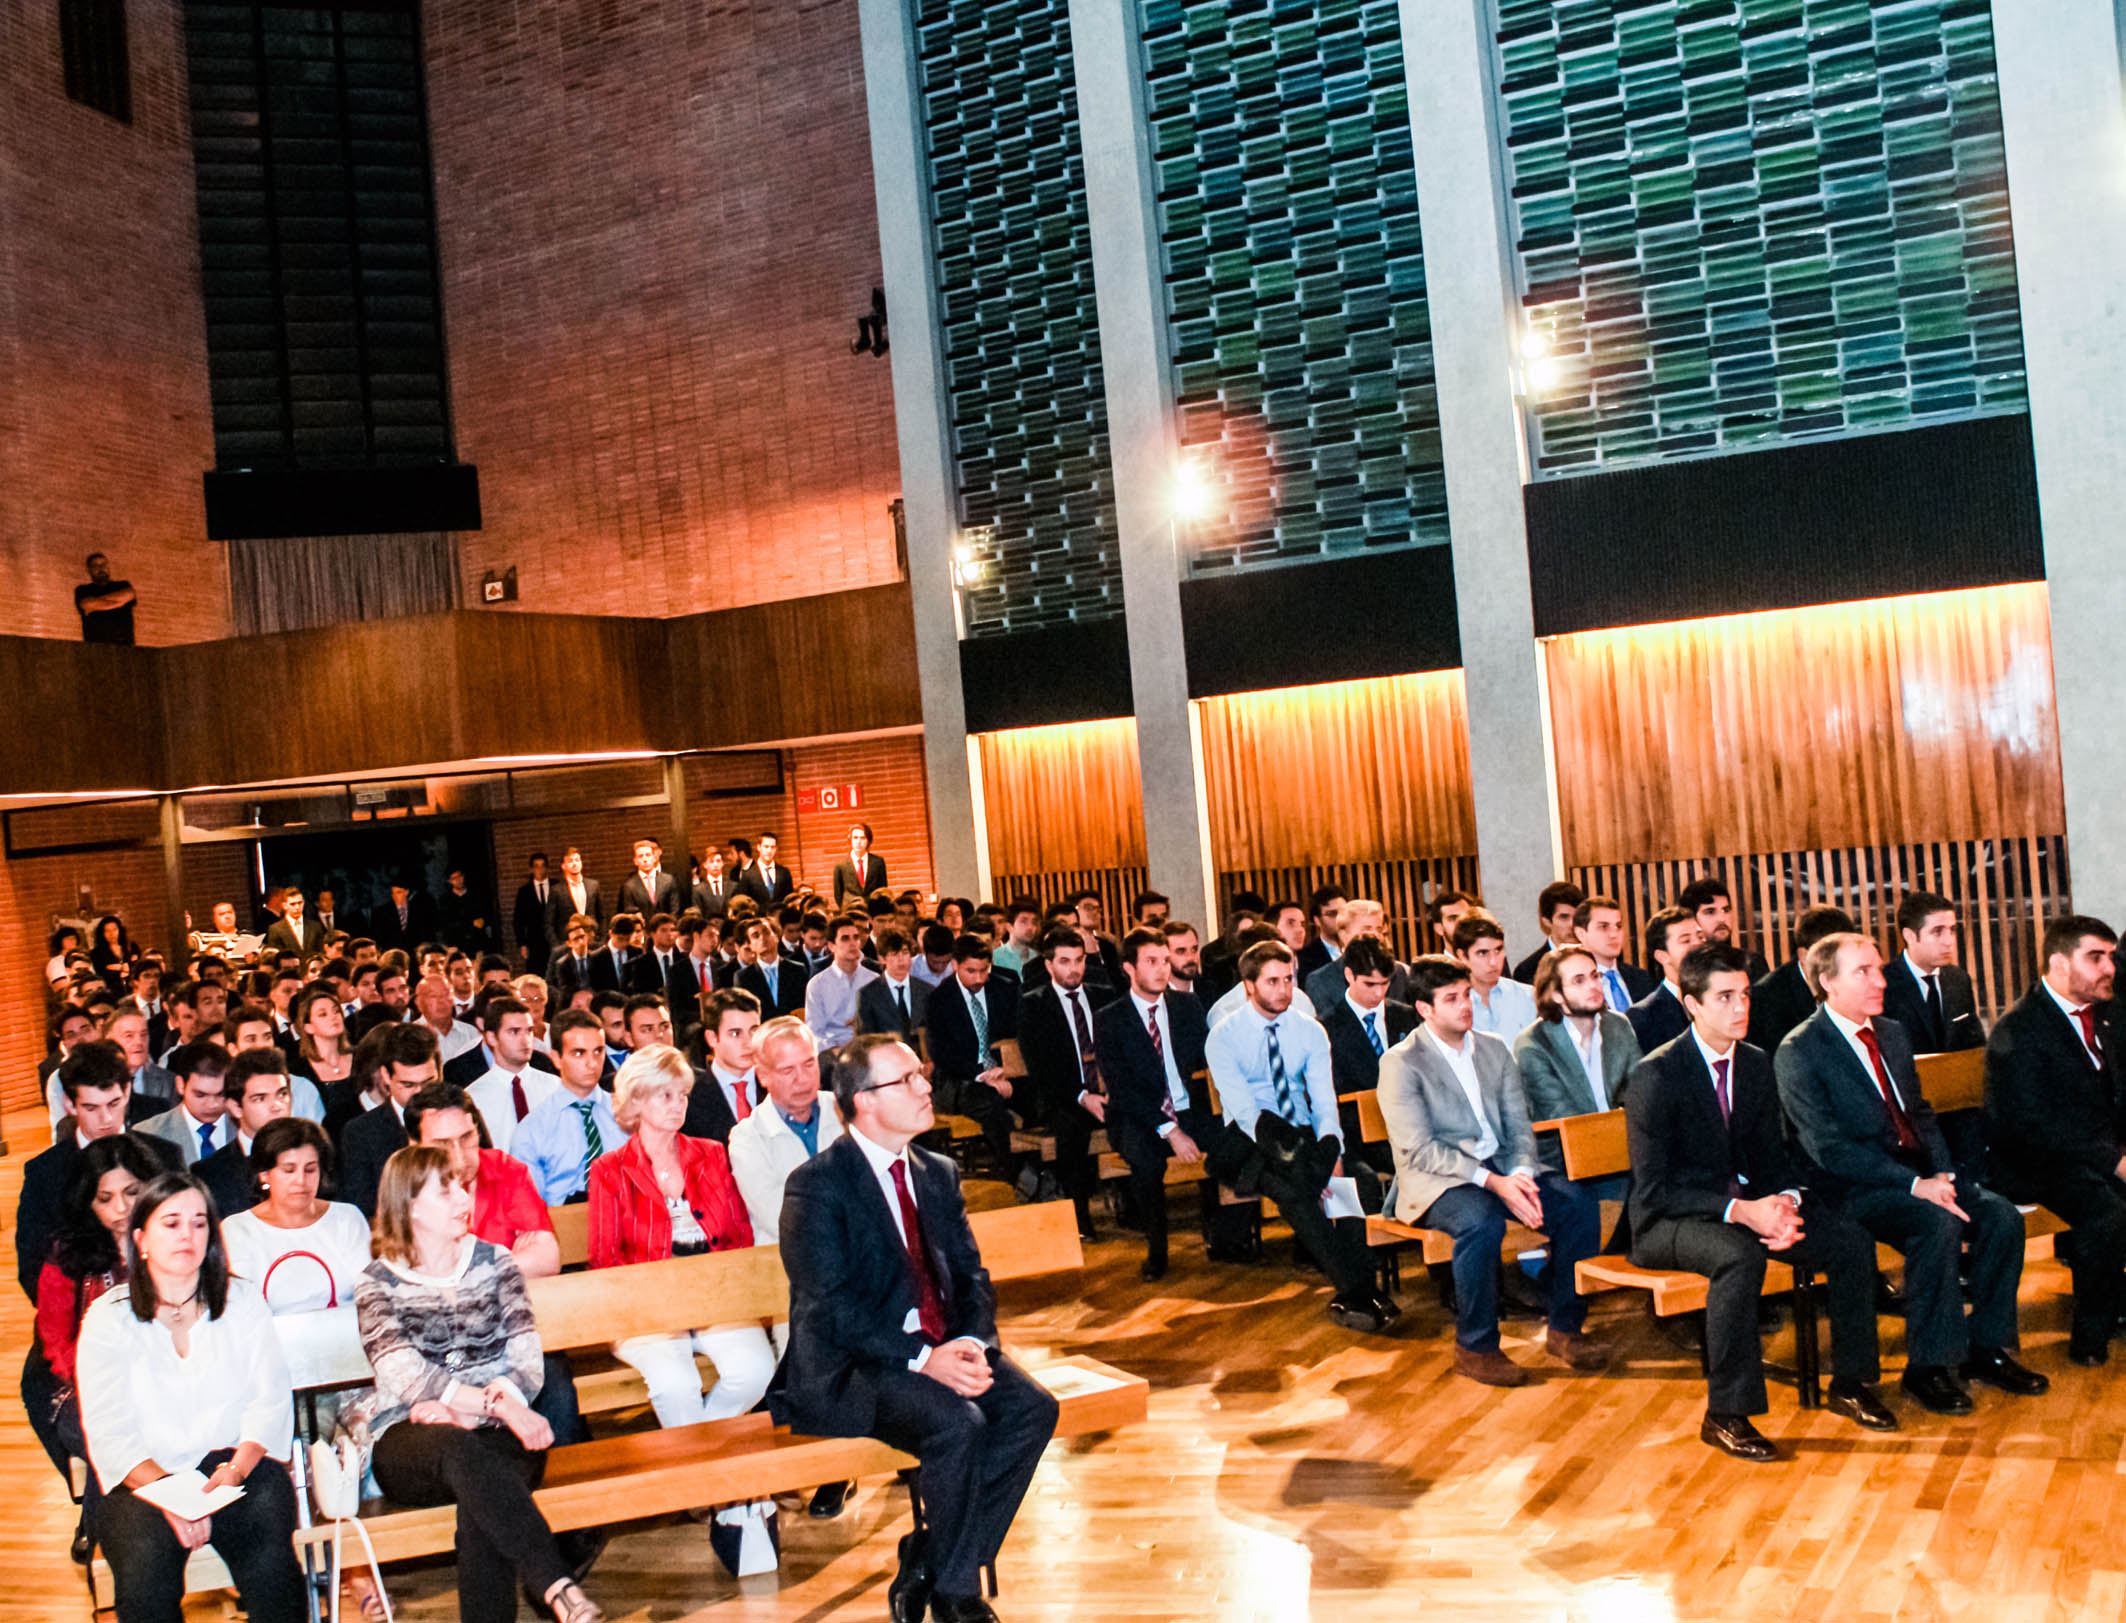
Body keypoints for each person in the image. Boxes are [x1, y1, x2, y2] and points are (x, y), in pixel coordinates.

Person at [779, 1033, 1059, 1623]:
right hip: (857, 1364)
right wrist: (920, 1358)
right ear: (864, 1102)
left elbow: (971, 1274)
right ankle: (958, 1598)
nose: (925, 1086)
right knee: (959, 1423)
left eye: (921, 1075)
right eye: (905, 1080)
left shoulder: (936, 1171)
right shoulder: (819, 1184)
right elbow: (828, 1305)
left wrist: (971, 1344)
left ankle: (930, 1555)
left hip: (939, 1346)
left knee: (1033, 1408)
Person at [1625, 942, 1893, 1459]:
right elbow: (1657, 1188)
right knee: (1738, 1255)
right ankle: (1726, 1414)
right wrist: (1744, 1212)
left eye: (1745, 995)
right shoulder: (1657, 1075)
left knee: (1848, 1239)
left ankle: (1851, 1383)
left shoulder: (1753, 1063)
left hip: (1743, 1209)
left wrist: (1786, 1204)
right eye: (1724, 998)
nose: (1741, 1008)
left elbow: (1772, 1157)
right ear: (1692, 1005)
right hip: (1668, 1219)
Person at [1775, 932, 2042, 1411]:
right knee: (1935, 1223)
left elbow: (1919, 1114)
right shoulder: (1800, 1050)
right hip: (1851, 1187)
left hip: (1915, 1175)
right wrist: (1917, 1185)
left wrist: (1942, 1175)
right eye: (1863, 972)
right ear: (1826, 982)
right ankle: (1928, 1368)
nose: (1880, 980)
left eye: (1878, 968)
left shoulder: (1892, 1033)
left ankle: (1985, 1349)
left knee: (2002, 1217)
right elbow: (1829, 1150)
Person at [355, 1147, 604, 1623]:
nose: (461, 1196)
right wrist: (502, 1407)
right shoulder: (377, 1281)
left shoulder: (497, 1261)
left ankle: (558, 1593)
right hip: (410, 1441)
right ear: (409, 1205)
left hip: (498, 1433)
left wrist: (477, 1408)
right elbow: (404, 1374)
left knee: (481, 1506)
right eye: (443, 1189)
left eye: (460, 1184)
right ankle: (556, 1585)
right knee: (460, 1452)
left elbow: (528, 1361)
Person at [77, 1172, 307, 1623]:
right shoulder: (107, 1319)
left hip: (233, 1468)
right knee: (145, 1569)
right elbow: (110, 1433)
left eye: (200, 1223)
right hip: (142, 1480)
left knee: (270, 1547)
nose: (188, 1235)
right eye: (172, 1223)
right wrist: (172, 1497)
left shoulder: (240, 1301)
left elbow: (269, 1401)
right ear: (141, 1238)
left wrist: (236, 1469)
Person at [588, 1045, 779, 1566]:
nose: (678, 1105)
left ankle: (700, 1478)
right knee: (676, 1383)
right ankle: (717, 1490)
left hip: (713, 1293)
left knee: (756, 1368)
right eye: (664, 1095)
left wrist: (722, 1293)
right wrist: (648, 1306)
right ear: (636, 1101)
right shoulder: (609, 1171)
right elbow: (605, 1261)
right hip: (647, 1307)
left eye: (683, 1095)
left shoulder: (711, 1154)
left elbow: (738, 1235)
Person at [1376, 955, 1603, 1386]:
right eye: (1451, 999)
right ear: (1425, 1009)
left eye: (1466, 995)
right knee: (1480, 1224)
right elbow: (1419, 1150)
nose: (1466, 1005)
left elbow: (1519, 1125)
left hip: (1500, 1164)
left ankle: (1564, 1327)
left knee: (1578, 1204)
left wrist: (1519, 1172)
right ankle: (1475, 1346)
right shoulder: (1401, 1062)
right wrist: (1496, 1183)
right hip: (1437, 1180)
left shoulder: (1494, 1047)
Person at [1207, 941, 1396, 1331]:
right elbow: (1245, 1112)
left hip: (1303, 1129)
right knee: (1297, 1189)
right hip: (1250, 1139)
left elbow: (1325, 1099)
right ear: (1249, 986)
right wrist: (1304, 1164)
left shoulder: (1309, 1030)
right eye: (1272, 981)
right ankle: (1359, 1291)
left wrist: (1332, 1154)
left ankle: (1358, 1291)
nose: (1284, 989)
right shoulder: (1225, 1035)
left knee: (1352, 1181)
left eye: (1289, 979)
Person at [1985, 914, 2124, 1365]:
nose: (2110, 968)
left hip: (2092, 1153)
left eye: (2111, 957)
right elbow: (2034, 1125)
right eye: (2096, 957)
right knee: (2106, 1211)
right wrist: (2114, 1160)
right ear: (2060, 964)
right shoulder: (2019, 1030)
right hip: (2035, 1162)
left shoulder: (2106, 1015)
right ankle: (2091, 1336)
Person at [25, 1135, 160, 1559]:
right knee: (104, 1431)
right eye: (106, 1198)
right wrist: (101, 1385)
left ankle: (100, 1529)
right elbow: (56, 1341)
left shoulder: (171, 1236)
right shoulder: (68, 1254)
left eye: (132, 1193)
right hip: (82, 1388)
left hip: (163, 1380)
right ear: (88, 1201)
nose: (121, 1209)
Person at [1093, 927, 1248, 1279]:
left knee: (1236, 1141)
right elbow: (1122, 1088)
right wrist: (1170, 1130)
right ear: (1129, 969)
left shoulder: (1186, 1005)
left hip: (1188, 1107)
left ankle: (1226, 1236)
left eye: (1165, 961)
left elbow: (1209, 1061)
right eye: (1151, 962)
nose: (1162, 970)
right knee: (1147, 1163)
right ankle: (1157, 1250)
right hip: (1139, 1116)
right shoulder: (1110, 1019)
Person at [19, 1044, 181, 1300]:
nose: (106, 1118)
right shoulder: (44, 1173)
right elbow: (31, 1267)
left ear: (128, 1091)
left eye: (114, 1103)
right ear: (70, 1105)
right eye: (91, 1108)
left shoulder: (165, 1156)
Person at [1015, 926, 1111, 1243]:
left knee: (1140, 1115)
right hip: (1063, 1095)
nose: (1074, 968)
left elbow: (1118, 1049)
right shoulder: (1034, 1005)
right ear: (1049, 965)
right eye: (1065, 961)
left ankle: (1136, 1206)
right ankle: (1080, 1216)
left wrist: (1110, 1090)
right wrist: (1084, 1096)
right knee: (1072, 1129)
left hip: (1106, 1090)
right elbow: (1043, 1068)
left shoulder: (1103, 994)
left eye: (1079, 960)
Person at [222, 1119, 373, 1315]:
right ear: (264, 1175)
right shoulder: (237, 1229)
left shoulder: (347, 1218)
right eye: (289, 1170)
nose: (301, 1180)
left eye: (310, 1169)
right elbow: (239, 1309)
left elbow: (370, 1296)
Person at [1514, 948, 1642, 1178]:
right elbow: (1563, 1113)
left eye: (1595, 976)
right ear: (1556, 995)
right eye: (1578, 981)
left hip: (1625, 1149)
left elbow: (1640, 1093)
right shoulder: (1533, 1043)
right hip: (1566, 1161)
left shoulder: (1618, 1025)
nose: (1593, 986)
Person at [925, 935, 1031, 1199]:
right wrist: (982, 1075)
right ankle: (1016, 1176)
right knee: (990, 1104)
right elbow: (942, 1054)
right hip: (960, 1079)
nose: (979, 978)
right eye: (971, 971)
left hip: (1005, 1071)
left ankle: (1039, 1170)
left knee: (1041, 1096)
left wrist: (1007, 1070)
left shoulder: (1005, 988)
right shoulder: (939, 999)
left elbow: (1022, 1036)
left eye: (985, 970)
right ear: (955, 966)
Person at [728, 1018, 844, 1243]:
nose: (802, 1079)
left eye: (809, 1063)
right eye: (787, 1070)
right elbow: (780, 1219)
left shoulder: (849, 1112)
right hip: (786, 1264)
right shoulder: (747, 1138)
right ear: (762, 1076)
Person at [512, 1010, 628, 1204]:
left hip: (627, 1222)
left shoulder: (627, 1115)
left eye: (598, 1051)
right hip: (563, 1227)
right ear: (557, 1059)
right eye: (579, 1053)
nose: (592, 1063)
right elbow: (527, 1206)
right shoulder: (533, 1129)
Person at [341, 1023, 442, 1216]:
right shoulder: (360, 1133)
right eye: (408, 1084)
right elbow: (363, 1209)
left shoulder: (461, 1115)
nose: (420, 1093)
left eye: (429, 1082)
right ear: (385, 1075)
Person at [1881, 891, 1986, 1055]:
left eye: (1952, 930)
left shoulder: (1958, 980)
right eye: (1937, 931)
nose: (1949, 941)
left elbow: (1976, 1047)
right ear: (1909, 936)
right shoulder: (1883, 985)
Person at [193, 1048, 294, 1216]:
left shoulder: (315, 1157)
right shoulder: (208, 1174)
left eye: (282, 1094)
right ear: (235, 1107)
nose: (277, 1106)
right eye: (260, 1098)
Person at [1747, 905, 1857, 1052]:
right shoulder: (1767, 999)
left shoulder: (1855, 984)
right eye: (1832, 957)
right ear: (1804, 956)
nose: (1841, 965)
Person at [465, 996, 557, 1156]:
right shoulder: (473, 1098)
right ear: (491, 1037)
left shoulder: (556, 1088)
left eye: (529, 1031)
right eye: (514, 1032)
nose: (526, 1040)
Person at [682, 988, 768, 1140]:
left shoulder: (775, 1084)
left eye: (754, 1031)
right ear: (712, 1038)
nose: (748, 1043)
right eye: (736, 1033)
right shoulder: (690, 1098)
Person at [137, 1041, 236, 1167]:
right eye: (200, 1095)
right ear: (180, 1085)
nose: (212, 1104)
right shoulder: (147, 1135)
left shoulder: (246, 1127)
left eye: (221, 1094)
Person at [1627, 907, 1705, 1053]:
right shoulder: (1644, 1015)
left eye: (1700, 937)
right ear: (1662, 956)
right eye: (1686, 940)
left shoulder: (1720, 1000)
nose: (1697, 944)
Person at [1455, 913, 1539, 1039]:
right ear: (1462, 956)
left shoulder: (1529, 997)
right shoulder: (1452, 1005)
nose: (1493, 962)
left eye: (1498, 950)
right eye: (1483, 953)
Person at [803, 912, 879, 1049]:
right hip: (833, 1051)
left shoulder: (874, 980)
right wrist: (835, 1051)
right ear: (831, 946)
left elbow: (884, 1024)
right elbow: (815, 1032)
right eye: (845, 938)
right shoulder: (817, 984)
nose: (853, 943)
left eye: (856, 938)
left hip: (869, 1049)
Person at [1675, 876, 1771, 981]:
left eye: (1726, 910)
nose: (1722, 919)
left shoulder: (1752, 963)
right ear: (1691, 918)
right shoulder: (1681, 968)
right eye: (1710, 912)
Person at [1573, 896, 1653, 1014]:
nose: (1614, 934)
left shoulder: (1643, 979)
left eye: (1618, 926)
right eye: (1604, 926)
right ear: (1580, 934)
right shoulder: (1574, 985)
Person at [858, 926, 930, 1037]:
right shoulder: (868, 994)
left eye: (905, 952)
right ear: (882, 958)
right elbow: (866, 1039)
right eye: (894, 954)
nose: (901, 959)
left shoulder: (927, 991)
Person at [1513, 881, 1586, 984]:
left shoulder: (1597, 957)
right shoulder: (1528, 970)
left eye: (1577, 916)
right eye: (1564, 917)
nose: (1572, 924)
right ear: (1547, 921)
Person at [76, 551, 138, 643]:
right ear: (89, 570)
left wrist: (97, 604)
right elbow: (86, 604)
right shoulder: (83, 590)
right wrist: (119, 603)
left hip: (125, 645)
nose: (101, 568)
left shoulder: (123, 585)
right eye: (95, 565)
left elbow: (130, 594)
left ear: (108, 567)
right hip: (95, 645)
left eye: (103, 564)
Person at [618, 836, 682, 919]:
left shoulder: (668, 880)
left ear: (654, 858)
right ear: (635, 861)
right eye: (640, 856)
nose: (645, 859)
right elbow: (630, 912)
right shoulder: (629, 886)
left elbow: (675, 909)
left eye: (648, 855)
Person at [833, 823, 888, 909]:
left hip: (872, 909)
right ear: (850, 840)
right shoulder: (840, 865)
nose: (859, 842)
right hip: (850, 910)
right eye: (855, 838)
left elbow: (882, 889)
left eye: (863, 838)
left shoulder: (878, 862)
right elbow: (838, 894)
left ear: (869, 840)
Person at [263, 890, 326, 959]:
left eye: (300, 903)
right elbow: (276, 957)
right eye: (292, 904)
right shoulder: (275, 929)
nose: (297, 907)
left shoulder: (315, 926)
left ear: (304, 903)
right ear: (284, 906)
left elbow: (321, 953)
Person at [740, 831, 793, 908]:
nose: (769, 851)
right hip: (759, 918)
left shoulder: (784, 872)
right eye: (766, 846)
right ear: (758, 847)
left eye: (772, 847)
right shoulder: (748, 875)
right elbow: (744, 902)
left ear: (776, 849)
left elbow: (789, 899)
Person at [90, 914, 140, 991]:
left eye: (114, 929)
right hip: (111, 991)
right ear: (102, 933)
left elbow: (138, 968)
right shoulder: (96, 953)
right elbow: (101, 974)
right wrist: (123, 968)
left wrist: (115, 968)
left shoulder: (132, 947)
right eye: (107, 931)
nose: (111, 934)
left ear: (120, 930)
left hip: (133, 989)